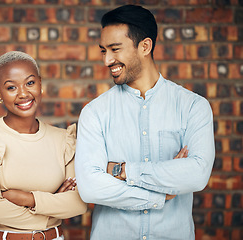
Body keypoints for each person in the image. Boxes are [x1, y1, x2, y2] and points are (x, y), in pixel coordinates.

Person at [75, 4, 215, 240]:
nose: (107, 60)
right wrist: (159, 195)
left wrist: (122, 170)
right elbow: (90, 187)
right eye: (103, 51)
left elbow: (197, 174)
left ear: (145, 46)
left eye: (115, 49)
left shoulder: (193, 107)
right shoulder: (94, 112)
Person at [0, 51, 87, 240]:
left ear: (40, 84)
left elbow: (78, 204)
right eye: (11, 87)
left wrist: (28, 199)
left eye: (30, 83)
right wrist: (52, 206)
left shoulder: (63, 139)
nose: (23, 93)